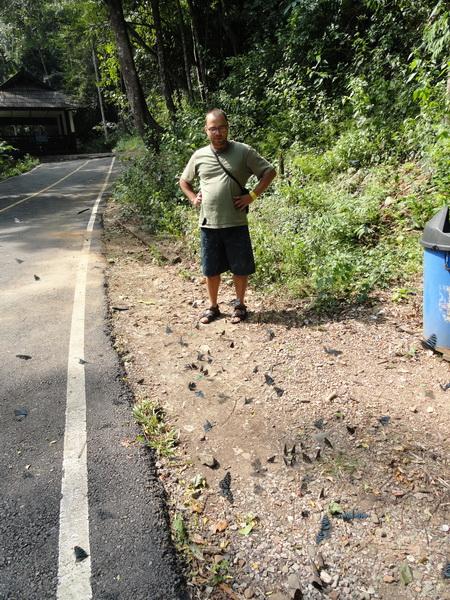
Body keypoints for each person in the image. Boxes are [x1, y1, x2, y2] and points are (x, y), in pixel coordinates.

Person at [179, 108, 276, 324]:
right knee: (211, 270)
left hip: (236, 222)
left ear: (228, 128)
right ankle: (213, 307)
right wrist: (193, 198)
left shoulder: (243, 151)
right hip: (209, 223)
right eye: (213, 129)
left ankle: (240, 305)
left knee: (240, 268)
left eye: (222, 127)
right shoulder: (199, 155)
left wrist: (252, 196)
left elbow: (269, 172)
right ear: (206, 130)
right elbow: (184, 181)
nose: (218, 132)